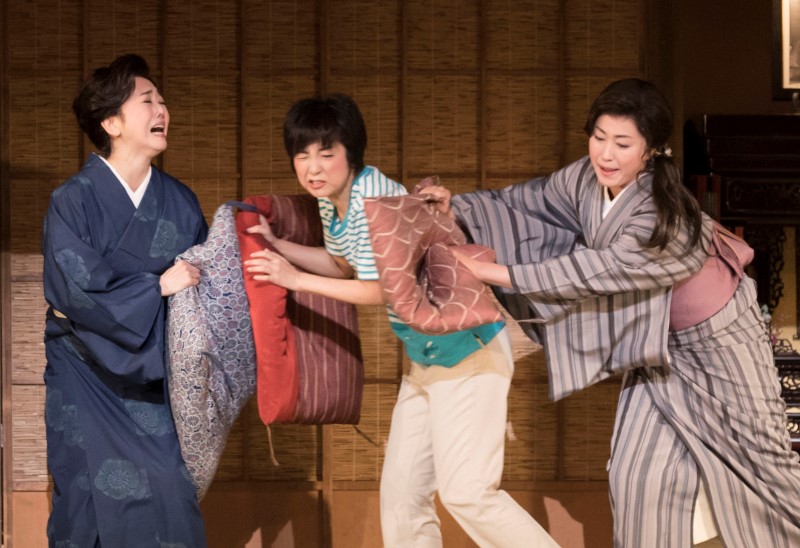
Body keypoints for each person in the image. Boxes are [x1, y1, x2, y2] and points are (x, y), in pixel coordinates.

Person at [430, 78, 800, 547]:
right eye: (599, 137)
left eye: (622, 144)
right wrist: (457, 210)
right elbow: (524, 202)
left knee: (768, 474)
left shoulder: (665, 215)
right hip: (654, 349)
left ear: (652, 150)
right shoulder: (583, 180)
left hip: (721, 347)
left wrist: (495, 272)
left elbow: (596, 270)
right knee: (635, 477)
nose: (605, 154)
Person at [244, 94, 558, 547]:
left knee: (468, 494)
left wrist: (293, 279)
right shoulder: (336, 201)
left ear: (351, 153)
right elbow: (344, 265)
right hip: (429, 358)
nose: (313, 168)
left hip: (467, 352)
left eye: (326, 154)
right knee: (402, 497)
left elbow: (379, 290)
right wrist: (278, 245)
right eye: (302, 155)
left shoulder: (375, 199)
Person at [42, 54, 208, 547]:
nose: (162, 110)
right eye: (147, 101)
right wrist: (157, 287)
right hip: (83, 370)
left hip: (152, 374)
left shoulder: (180, 202)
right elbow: (75, 288)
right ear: (111, 123)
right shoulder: (72, 200)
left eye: (163, 102)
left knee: (169, 487)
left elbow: (203, 287)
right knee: (87, 497)